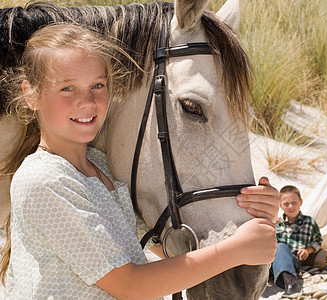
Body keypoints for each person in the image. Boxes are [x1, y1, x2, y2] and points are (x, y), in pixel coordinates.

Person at [0, 24, 279, 299]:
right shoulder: (44, 181)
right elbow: (129, 285)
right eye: (67, 88)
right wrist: (234, 251)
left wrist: (249, 216)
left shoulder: (100, 168)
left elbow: (163, 249)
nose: (87, 101)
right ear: (30, 94)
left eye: (97, 85)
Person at [271, 185, 325, 295]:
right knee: (279, 247)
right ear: (280, 206)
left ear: (301, 202)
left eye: (294, 202)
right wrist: (271, 226)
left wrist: (308, 250)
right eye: (286, 204)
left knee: (280, 247)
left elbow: (318, 240)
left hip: (295, 262)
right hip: (275, 262)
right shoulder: (277, 224)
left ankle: (290, 281)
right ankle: (286, 280)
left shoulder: (309, 222)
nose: (290, 206)